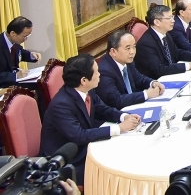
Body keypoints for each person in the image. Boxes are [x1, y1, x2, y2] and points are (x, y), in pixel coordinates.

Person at [41, 53, 141, 182]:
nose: (100, 74)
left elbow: (102, 109)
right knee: (118, 164)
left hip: (85, 146)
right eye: (96, 72)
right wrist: (120, 128)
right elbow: (79, 136)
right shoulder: (61, 104)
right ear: (84, 80)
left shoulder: (88, 90)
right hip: (70, 159)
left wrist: (124, 116)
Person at [96, 30, 166, 109]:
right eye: (128, 48)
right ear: (113, 51)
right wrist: (146, 94)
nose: (132, 52)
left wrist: (152, 83)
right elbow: (116, 101)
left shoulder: (127, 61)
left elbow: (138, 78)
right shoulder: (104, 71)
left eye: (134, 47)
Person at [135, 4, 191, 78]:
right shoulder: (146, 44)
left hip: (171, 75)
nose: (173, 21)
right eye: (169, 18)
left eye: (172, 17)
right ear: (157, 22)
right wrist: (189, 66)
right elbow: (159, 70)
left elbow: (176, 53)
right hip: (157, 81)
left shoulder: (165, 34)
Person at [0, 16, 42, 86]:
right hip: (4, 84)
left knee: (41, 83)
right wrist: (15, 76)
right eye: (24, 36)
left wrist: (32, 55)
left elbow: (20, 53)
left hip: (16, 80)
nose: (26, 39)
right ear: (12, 33)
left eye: (28, 36)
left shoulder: (14, 41)